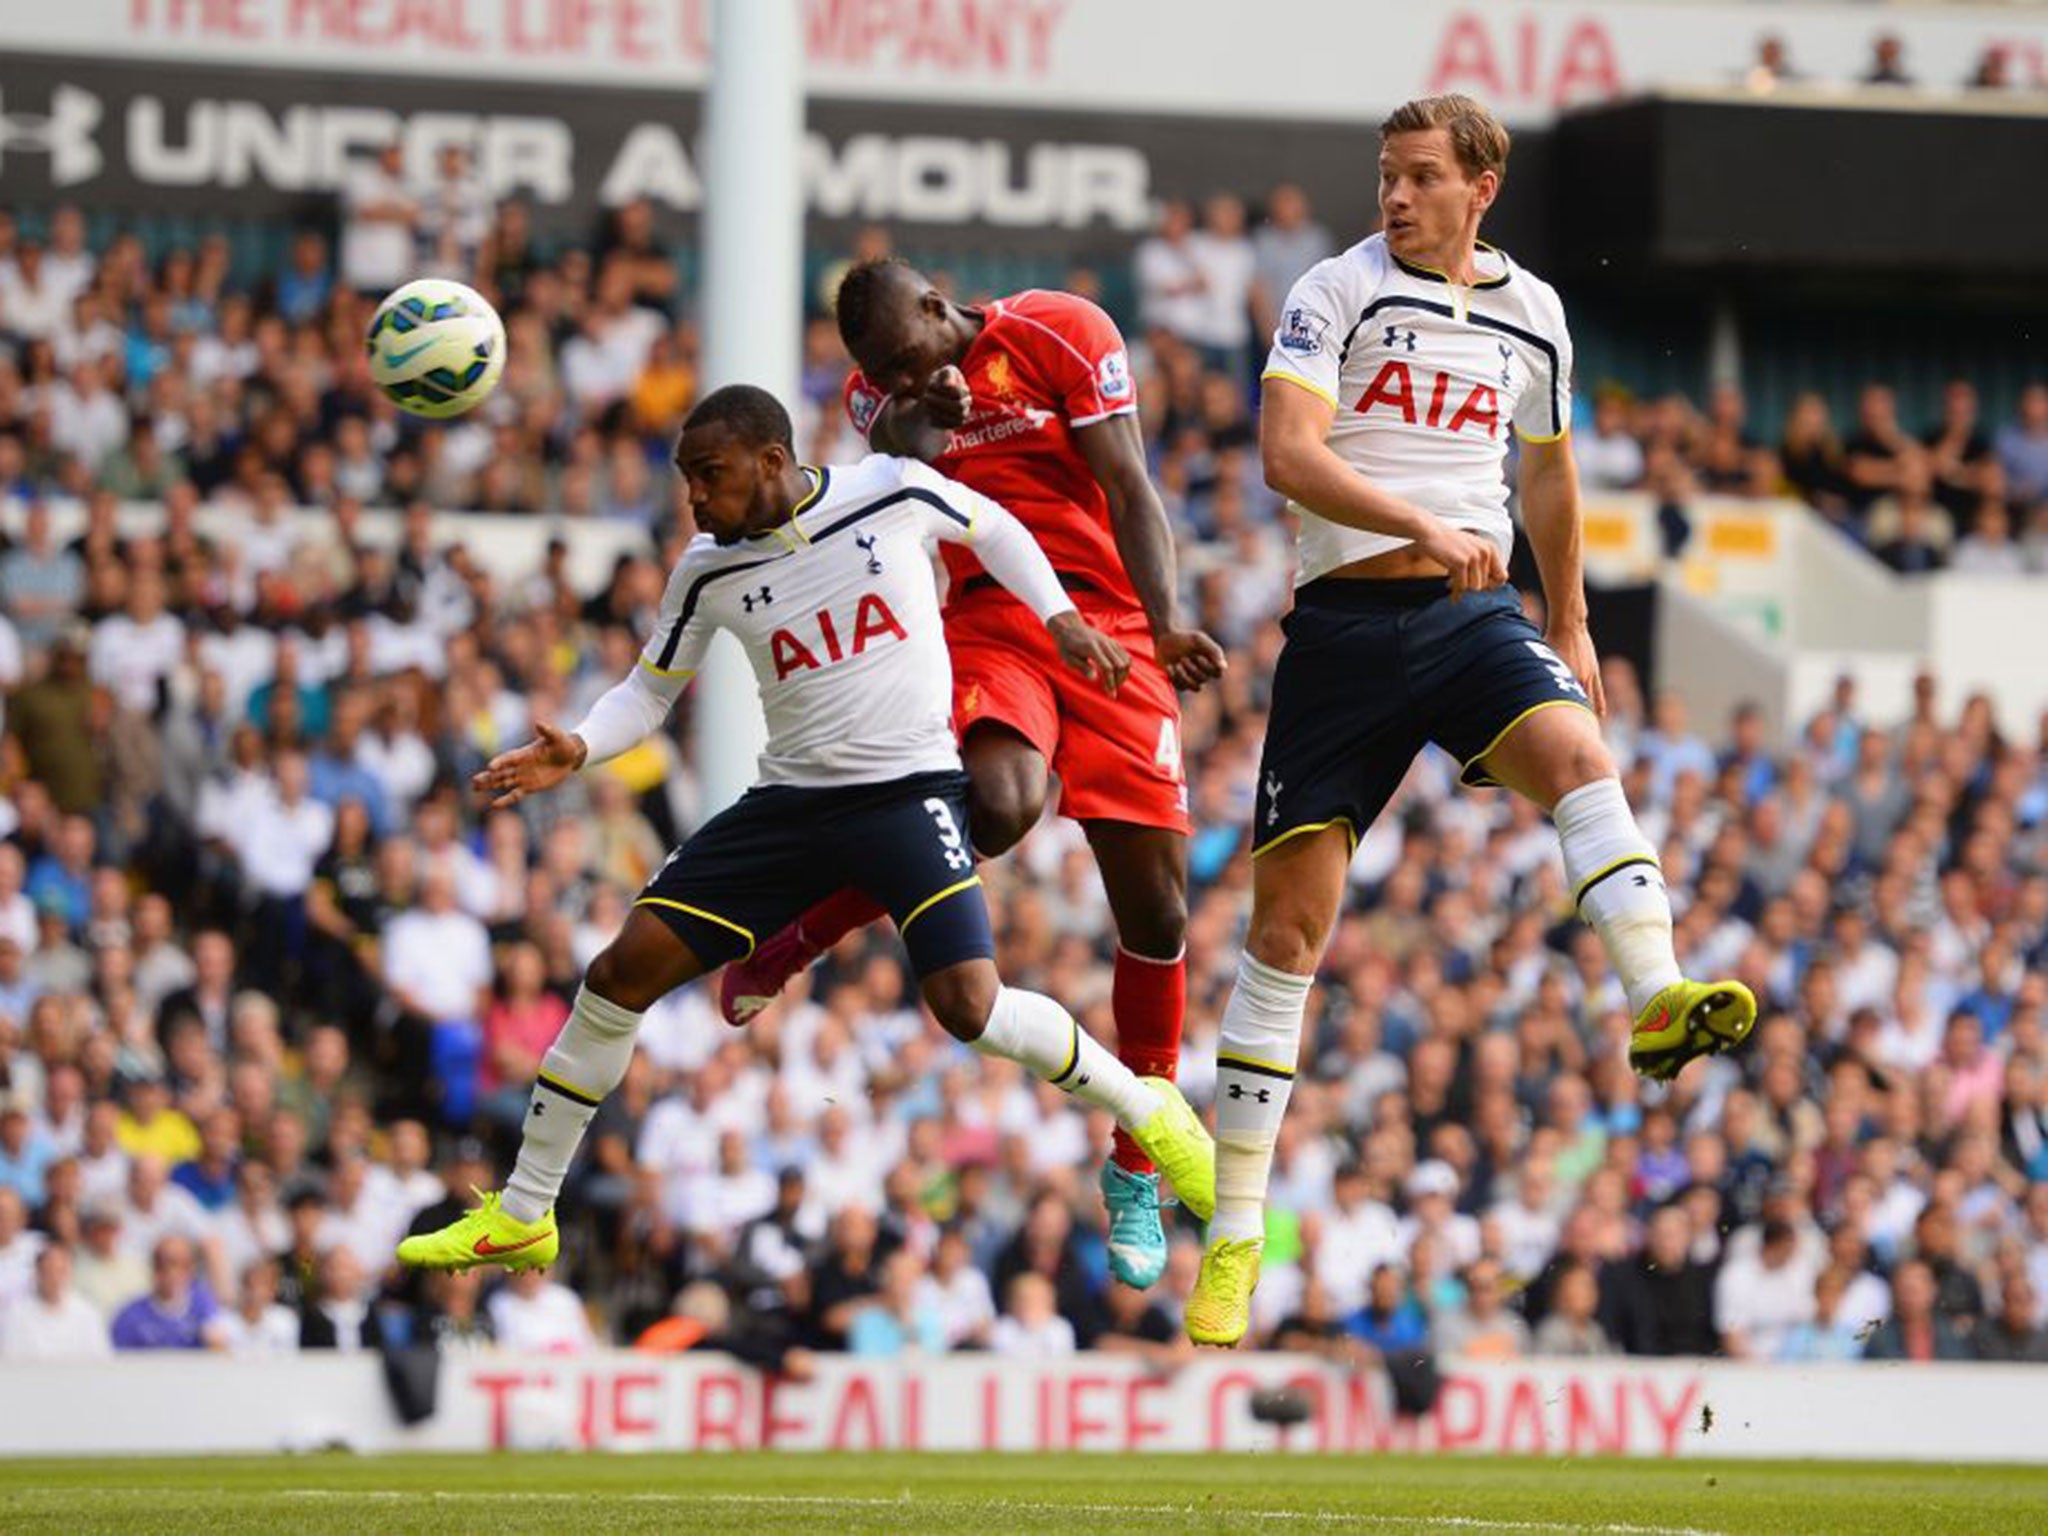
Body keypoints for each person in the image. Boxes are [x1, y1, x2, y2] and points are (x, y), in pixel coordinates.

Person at [397, 387, 1213, 1273]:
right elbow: (647, 692)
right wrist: (582, 746)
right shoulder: (706, 569)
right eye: (686, 482)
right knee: (616, 972)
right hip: (789, 808)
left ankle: (1147, 1109)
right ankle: (524, 1213)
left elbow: (996, 530)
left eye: (709, 476)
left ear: (772, 461)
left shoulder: (890, 492)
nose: (696, 500)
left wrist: (1058, 618)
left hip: (907, 797)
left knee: (970, 1010)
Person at [1184, 93, 1756, 1346]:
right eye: (1385, 174)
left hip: (1471, 617)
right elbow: (1286, 452)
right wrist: (1418, 524)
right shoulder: (1331, 292)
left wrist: (1573, 621)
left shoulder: (1532, 311)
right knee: (1285, 936)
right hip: (1339, 632)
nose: (1393, 195)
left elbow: (1545, 472)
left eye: (1419, 177)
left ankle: (1653, 996)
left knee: (1577, 754)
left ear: (1478, 186)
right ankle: (1232, 1235)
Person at [718, 258, 1228, 1290]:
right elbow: (898, 461)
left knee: (1159, 917)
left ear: (940, 307)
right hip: (995, 625)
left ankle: (1136, 1166)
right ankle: (805, 931)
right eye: (881, 372)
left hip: (1115, 628)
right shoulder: (886, 391)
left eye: (909, 358)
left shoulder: (1062, 332)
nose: (898, 378)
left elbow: (1126, 480)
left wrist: (1166, 622)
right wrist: (928, 419)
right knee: (992, 809)